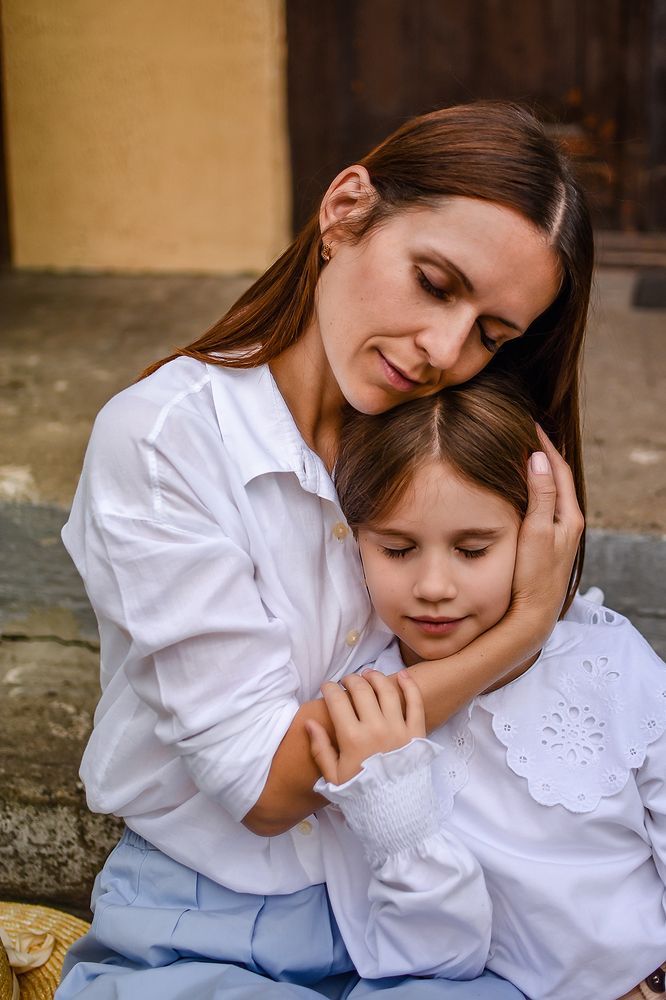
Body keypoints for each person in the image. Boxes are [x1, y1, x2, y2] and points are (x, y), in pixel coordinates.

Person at [56, 101, 592, 998]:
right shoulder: (166, 441)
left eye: (492, 335)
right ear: (345, 212)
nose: (444, 351)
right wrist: (520, 629)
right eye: (434, 282)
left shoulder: (448, 449)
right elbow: (264, 786)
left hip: (417, 904)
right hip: (204, 921)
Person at [309, 372, 666, 1000]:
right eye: (396, 549)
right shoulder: (371, 718)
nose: (434, 586)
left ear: (538, 534)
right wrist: (397, 820)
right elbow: (435, 962)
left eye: (473, 550)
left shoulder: (609, 661)